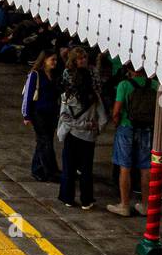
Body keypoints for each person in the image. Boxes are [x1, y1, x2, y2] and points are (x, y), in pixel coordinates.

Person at [107, 64, 158, 216]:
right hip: (146, 128)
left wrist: (116, 122)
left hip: (126, 127)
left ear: (130, 69)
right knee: (145, 168)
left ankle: (124, 205)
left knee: (125, 166)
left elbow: (116, 111)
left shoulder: (124, 85)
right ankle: (145, 205)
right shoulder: (155, 85)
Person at [57, 66, 105, 210]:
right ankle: (86, 200)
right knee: (86, 170)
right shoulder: (94, 97)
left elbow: (64, 116)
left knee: (68, 168)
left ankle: (67, 198)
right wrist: (94, 130)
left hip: (71, 135)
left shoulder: (67, 95)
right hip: (88, 138)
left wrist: (76, 125)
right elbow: (103, 118)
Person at [22, 51, 60, 182]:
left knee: (43, 142)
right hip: (39, 114)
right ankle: (48, 171)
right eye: (52, 60)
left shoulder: (54, 75)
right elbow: (28, 95)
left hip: (51, 114)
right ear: (44, 60)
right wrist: (26, 115)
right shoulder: (35, 75)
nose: (55, 62)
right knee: (45, 142)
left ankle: (38, 168)